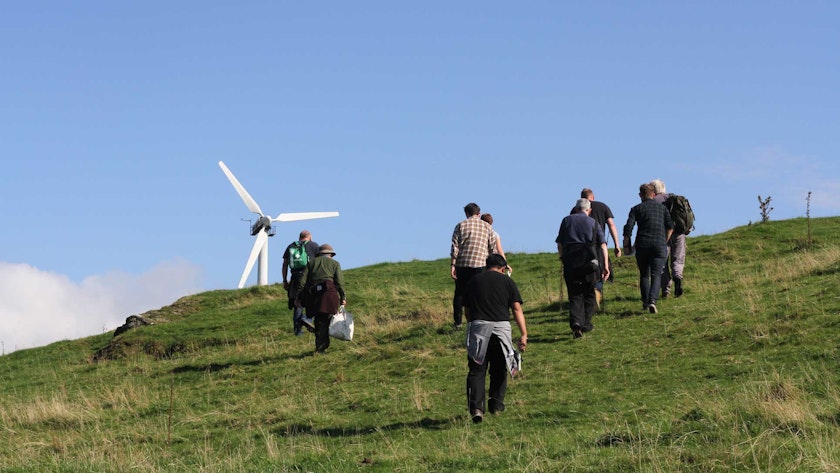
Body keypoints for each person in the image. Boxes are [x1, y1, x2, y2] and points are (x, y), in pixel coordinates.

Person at [464, 254, 527, 424]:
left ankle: (477, 409)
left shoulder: (474, 281)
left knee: (477, 370)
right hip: (501, 330)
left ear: (486, 266)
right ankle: (496, 404)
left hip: (479, 329)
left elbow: (467, 309)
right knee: (499, 368)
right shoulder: (508, 282)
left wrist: (472, 324)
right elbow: (516, 308)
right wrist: (523, 333)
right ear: (503, 268)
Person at [557, 198, 610, 338]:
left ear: (575, 209)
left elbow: (560, 244)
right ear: (589, 210)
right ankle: (585, 323)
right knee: (589, 294)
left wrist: (563, 258)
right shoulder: (593, 223)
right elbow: (603, 245)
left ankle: (576, 323)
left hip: (571, 262)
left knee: (574, 295)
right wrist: (605, 266)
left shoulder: (566, 221)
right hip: (588, 263)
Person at [623, 183, 674, 314]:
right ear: (654, 194)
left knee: (644, 275)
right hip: (659, 245)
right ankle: (652, 301)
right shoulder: (662, 209)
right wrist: (664, 241)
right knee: (656, 274)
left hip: (642, 245)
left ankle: (645, 303)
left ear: (640, 195)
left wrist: (626, 246)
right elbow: (670, 227)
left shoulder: (636, 209)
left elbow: (628, 228)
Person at [571, 188, 622, 308]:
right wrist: (617, 245)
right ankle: (596, 295)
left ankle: (588, 298)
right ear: (592, 197)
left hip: (580, 247)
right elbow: (611, 225)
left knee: (584, 272)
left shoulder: (575, 210)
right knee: (600, 271)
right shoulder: (603, 206)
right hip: (599, 245)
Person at [450, 203, 497, 329]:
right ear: (479, 213)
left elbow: (455, 247)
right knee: (480, 292)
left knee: (459, 293)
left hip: (462, 264)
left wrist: (453, 265)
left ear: (466, 213)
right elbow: (492, 247)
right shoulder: (487, 227)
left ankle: (458, 322)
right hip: (480, 264)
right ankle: (481, 319)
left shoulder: (460, 225)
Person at [296, 244, 346, 354]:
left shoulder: (311, 263)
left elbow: (302, 282)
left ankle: (319, 346)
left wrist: (298, 297)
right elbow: (339, 282)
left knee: (318, 320)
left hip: (313, 294)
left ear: (319, 254)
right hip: (329, 293)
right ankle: (322, 347)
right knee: (326, 320)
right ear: (330, 254)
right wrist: (343, 297)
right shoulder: (335, 264)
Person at [651, 179, 687, 298]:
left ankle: (666, 289)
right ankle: (678, 277)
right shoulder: (674, 198)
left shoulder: (653, 201)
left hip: (662, 234)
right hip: (679, 233)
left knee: (662, 262)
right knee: (678, 259)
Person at [282, 230, 320, 336]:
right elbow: (319, 262)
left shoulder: (291, 246)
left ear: (300, 237)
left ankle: (298, 331)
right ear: (310, 237)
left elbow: (285, 264)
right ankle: (307, 318)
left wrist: (285, 280)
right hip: (309, 277)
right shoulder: (314, 245)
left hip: (294, 277)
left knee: (297, 303)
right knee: (313, 300)